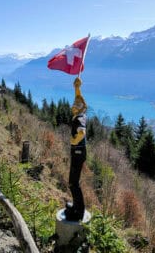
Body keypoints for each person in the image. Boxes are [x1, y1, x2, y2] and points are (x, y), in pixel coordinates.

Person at [65, 77, 87, 221]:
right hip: (79, 152)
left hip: (78, 152)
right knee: (73, 182)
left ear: (79, 108)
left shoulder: (79, 119)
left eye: (75, 104)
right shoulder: (81, 114)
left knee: (73, 182)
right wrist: (77, 88)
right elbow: (79, 99)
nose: (73, 105)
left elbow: (82, 132)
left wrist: (74, 140)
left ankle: (78, 211)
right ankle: (77, 207)